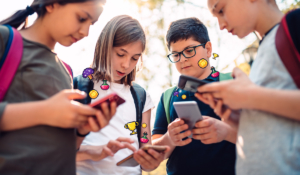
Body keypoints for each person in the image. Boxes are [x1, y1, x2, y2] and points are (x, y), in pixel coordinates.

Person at [0, 0, 116, 174]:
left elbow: (67, 149)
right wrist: (45, 111)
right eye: (81, 18)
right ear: (52, 4)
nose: (85, 32)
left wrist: (81, 131)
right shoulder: (5, 40)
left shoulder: (66, 71)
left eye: (91, 24)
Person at [196, 0, 300, 174]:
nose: (221, 25)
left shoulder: (294, 25)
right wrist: (241, 121)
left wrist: (251, 96)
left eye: (221, 10)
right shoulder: (264, 50)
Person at [75, 15, 170, 175]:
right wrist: (95, 151)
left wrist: (151, 159)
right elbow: (58, 151)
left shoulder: (141, 97)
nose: (126, 65)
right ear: (105, 46)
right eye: (121, 54)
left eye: (135, 58)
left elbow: (145, 152)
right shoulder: (78, 87)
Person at [152, 17, 236, 175]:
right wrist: (169, 138)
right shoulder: (168, 96)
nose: (182, 59)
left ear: (208, 49)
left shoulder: (233, 83)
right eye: (176, 54)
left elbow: (260, 135)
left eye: (189, 50)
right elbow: (155, 152)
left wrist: (226, 131)